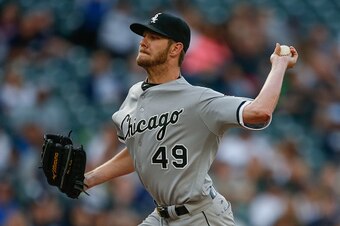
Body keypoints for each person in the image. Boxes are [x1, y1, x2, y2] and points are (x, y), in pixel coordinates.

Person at [84, 12, 298, 226]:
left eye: (154, 38)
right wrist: (89, 179)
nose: (144, 42)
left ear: (175, 49)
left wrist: (279, 65)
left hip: (200, 216)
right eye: (144, 36)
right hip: (161, 216)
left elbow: (260, 110)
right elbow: (139, 149)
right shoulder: (134, 95)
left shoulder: (199, 100)